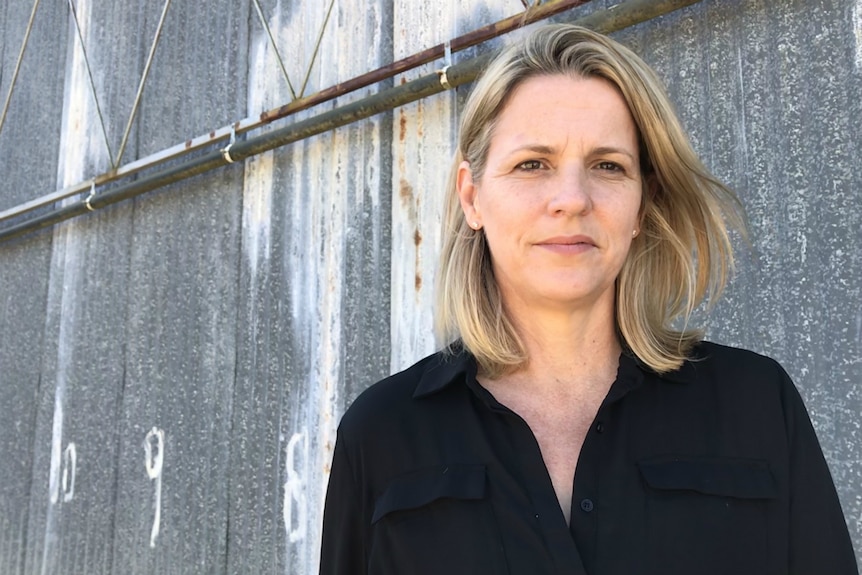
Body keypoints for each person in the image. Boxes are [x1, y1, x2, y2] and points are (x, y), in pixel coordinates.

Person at [319, 24, 859, 575]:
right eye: (533, 164)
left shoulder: (758, 406)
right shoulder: (381, 435)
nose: (572, 199)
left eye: (608, 166)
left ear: (641, 206)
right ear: (472, 196)